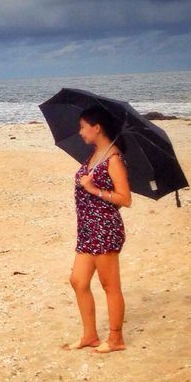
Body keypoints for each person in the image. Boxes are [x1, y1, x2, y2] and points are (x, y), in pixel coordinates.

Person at [62, 105, 132, 354]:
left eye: (83, 126)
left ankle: (115, 339)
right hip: (88, 229)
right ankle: (90, 336)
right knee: (78, 281)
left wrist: (94, 190)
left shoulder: (113, 158)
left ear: (97, 127)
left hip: (105, 228)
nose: (80, 131)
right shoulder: (93, 155)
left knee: (109, 285)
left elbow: (125, 198)